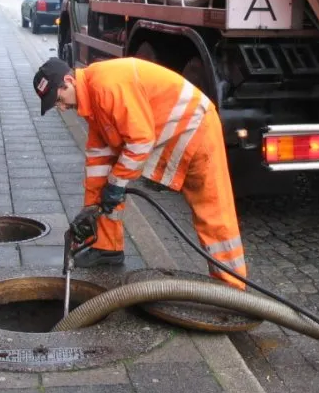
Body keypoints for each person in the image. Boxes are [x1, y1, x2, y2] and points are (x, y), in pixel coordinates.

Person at [33, 56, 247, 290]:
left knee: (213, 212)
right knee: (103, 179)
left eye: (59, 100)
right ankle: (106, 247)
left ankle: (232, 287)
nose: (62, 108)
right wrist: (90, 211)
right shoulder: (91, 97)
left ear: (68, 81)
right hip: (173, 132)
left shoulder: (107, 86)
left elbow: (140, 142)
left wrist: (116, 184)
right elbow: (98, 162)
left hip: (197, 130)